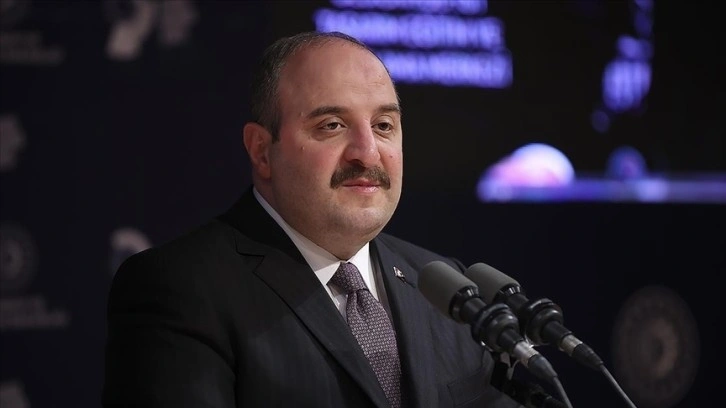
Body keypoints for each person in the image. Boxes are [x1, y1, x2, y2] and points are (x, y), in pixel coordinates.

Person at [103, 31, 523, 408]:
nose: (367, 153)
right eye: (332, 125)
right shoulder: (181, 288)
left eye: (383, 125)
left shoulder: (444, 287)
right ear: (261, 150)